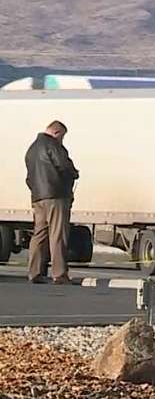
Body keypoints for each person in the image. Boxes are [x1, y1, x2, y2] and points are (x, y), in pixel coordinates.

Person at [25, 120, 79, 285]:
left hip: (38, 197)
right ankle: (59, 274)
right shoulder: (53, 145)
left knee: (39, 234)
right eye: (62, 136)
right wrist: (74, 173)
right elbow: (63, 165)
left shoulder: (31, 150)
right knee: (58, 234)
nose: (62, 140)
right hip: (56, 195)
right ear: (57, 133)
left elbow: (29, 177)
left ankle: (34, 272)